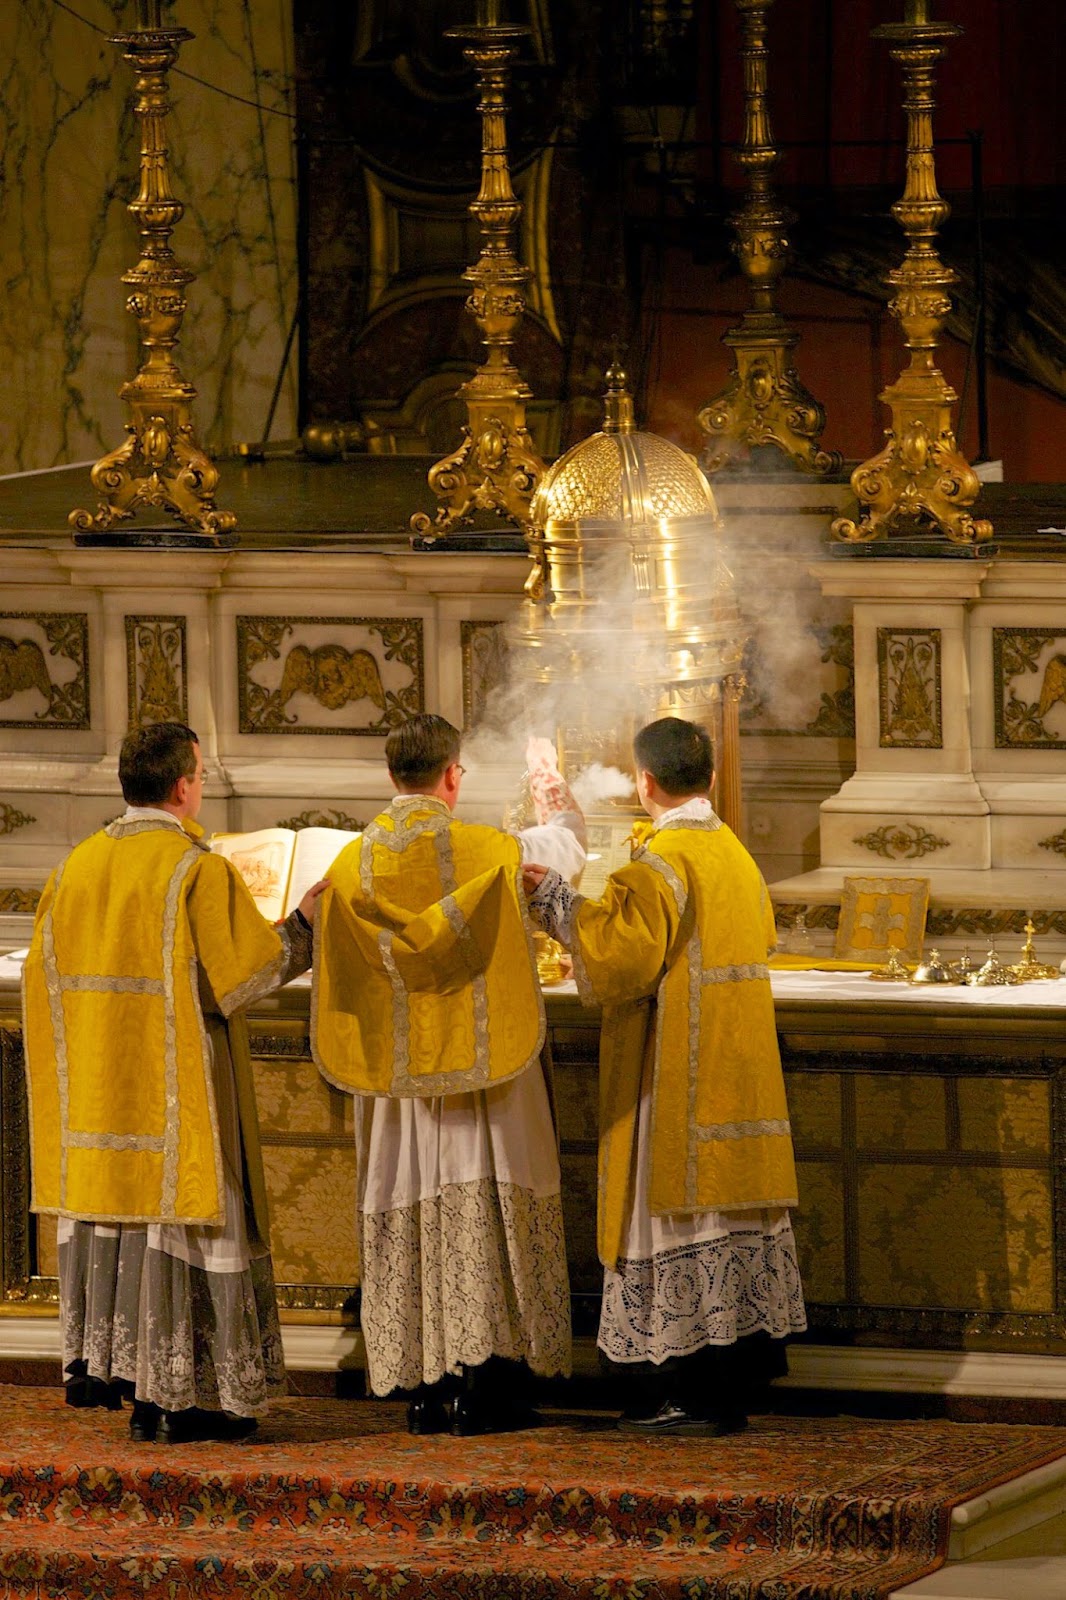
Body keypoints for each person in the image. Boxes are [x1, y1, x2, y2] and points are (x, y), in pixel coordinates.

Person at [22, 722, 326, 1444]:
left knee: (126, 1226)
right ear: (185, 784)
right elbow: (243, 978)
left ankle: (136, 1390)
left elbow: (42, 976)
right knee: (187, 1224)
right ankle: (186, 1400)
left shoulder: (77, 865)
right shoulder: (197, 869)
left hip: (101, 1095)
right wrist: (304, 924)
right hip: (179, 1090)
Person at [525, 716, 805, 1435]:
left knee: (675, 1215)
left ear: (645, 783)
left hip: (676, 1078)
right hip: (736, 1071)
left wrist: (552, 899)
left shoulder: (660, 861)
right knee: (728, 1216)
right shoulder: (733, 852)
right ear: (709, 777)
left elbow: (619, 959)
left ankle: (689, 1387)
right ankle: (730, 1381)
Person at [312, 713, 585, 1435]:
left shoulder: (351, 861)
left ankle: (425, 1389)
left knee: (415, 1202)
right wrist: (552, 798)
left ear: (391, 775)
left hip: (400, 1081)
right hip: (485, 1069)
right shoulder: (490, 849)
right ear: (453, 775)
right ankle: (486, 1386)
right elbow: (564, 853)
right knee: (488, 1204)